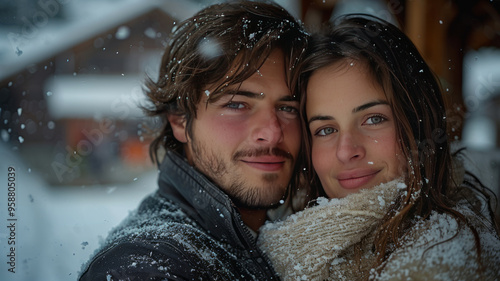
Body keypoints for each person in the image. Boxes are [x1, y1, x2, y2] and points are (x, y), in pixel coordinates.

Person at [258, 15, 500, 280]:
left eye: (373, 119)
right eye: (326, 129)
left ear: (418, 123)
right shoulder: (278, 228)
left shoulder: (441, 260)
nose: (346, 151)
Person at [79, 1, 308, 280]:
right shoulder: (145, 267)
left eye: (288, 108)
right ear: (179, 120)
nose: (272, 132)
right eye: (237, 105)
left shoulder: (289, 241)